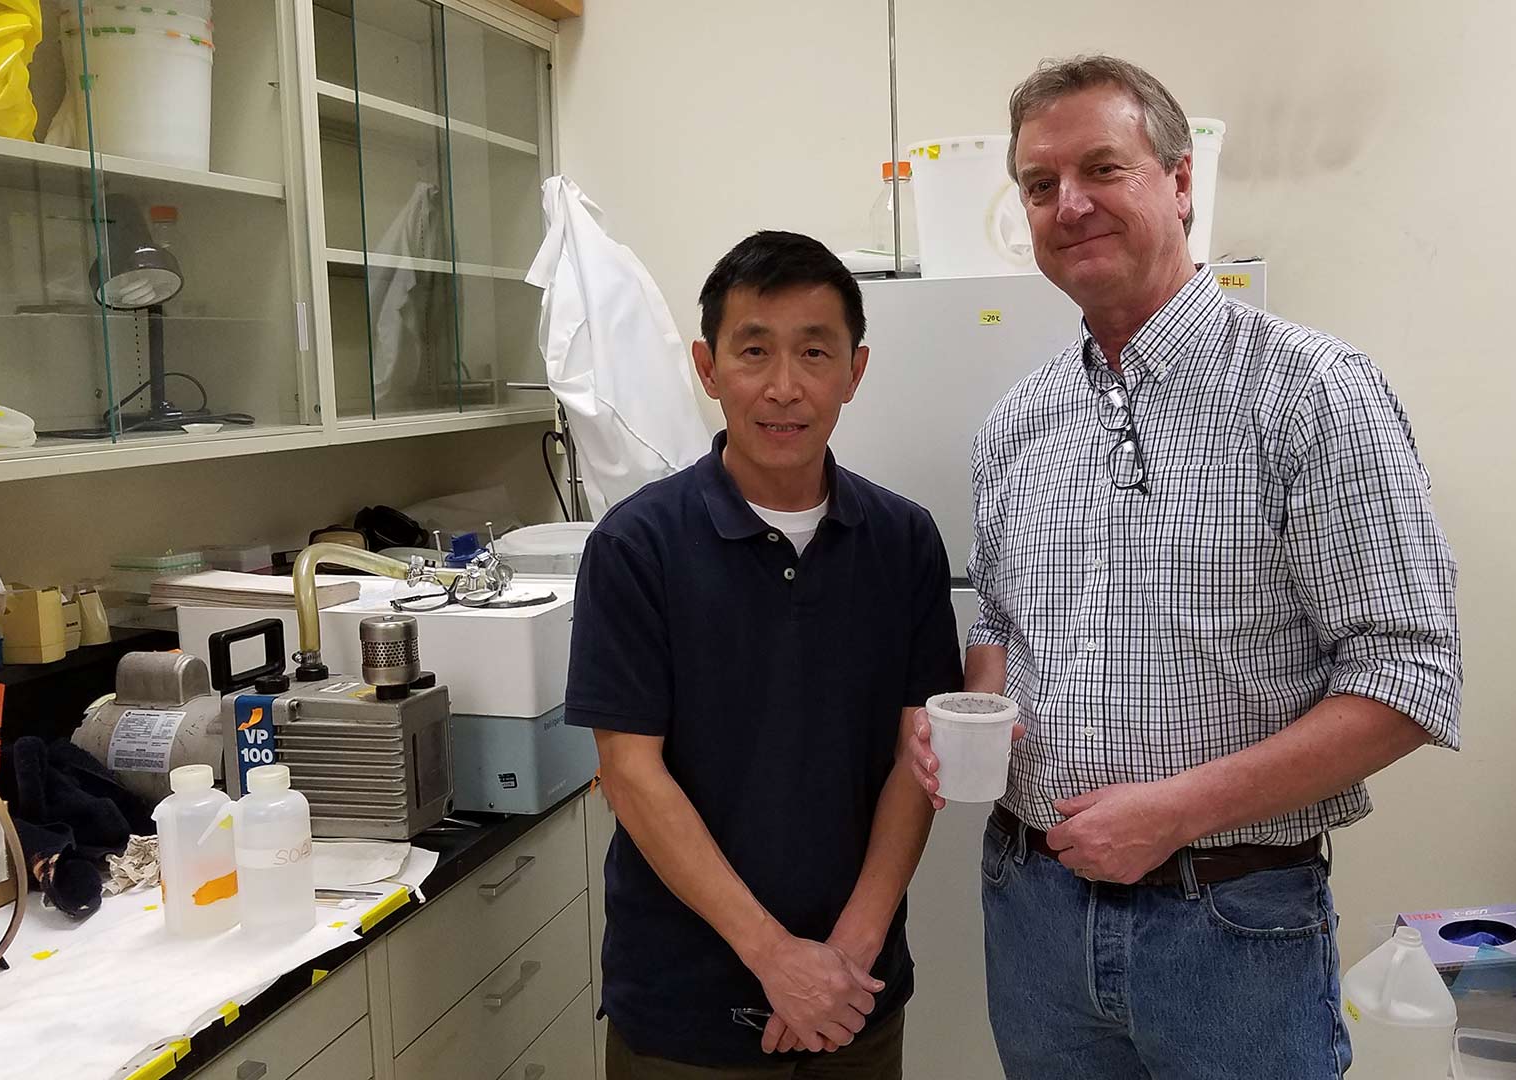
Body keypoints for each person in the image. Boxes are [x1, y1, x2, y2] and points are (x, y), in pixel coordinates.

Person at [906, 56, 1463, 1078]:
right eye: (1039, 185)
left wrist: (1175, 811)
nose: (1067, 204)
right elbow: (999, 619)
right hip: (1032, 913)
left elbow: (1411, 678)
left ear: (1178, 183)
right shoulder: (1017, 425)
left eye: (1101, 169)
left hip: (1232, 921)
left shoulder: (1311, 393)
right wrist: (975, 717)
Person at [568, 230, 963, 1078]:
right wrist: (778, 960)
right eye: (755, 351)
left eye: (814, 352)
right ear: (709, 369)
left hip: (858, 1002)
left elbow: (917, 755)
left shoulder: (902, 541)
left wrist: (845, 961)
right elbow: (631, 775)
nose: (785, 387)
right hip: (686, 1011)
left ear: (855, 371)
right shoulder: (637, 546)